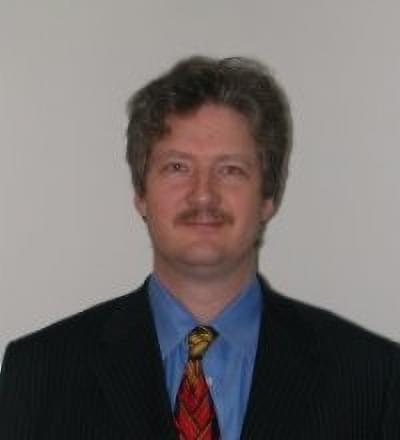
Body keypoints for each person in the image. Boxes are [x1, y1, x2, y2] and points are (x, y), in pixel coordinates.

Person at [0, 56, 399, 440]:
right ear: (141, 194)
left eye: (230, 170)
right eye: (177, 167)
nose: (203, 194)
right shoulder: (39, 374)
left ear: (267, 198)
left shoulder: (371, 381)